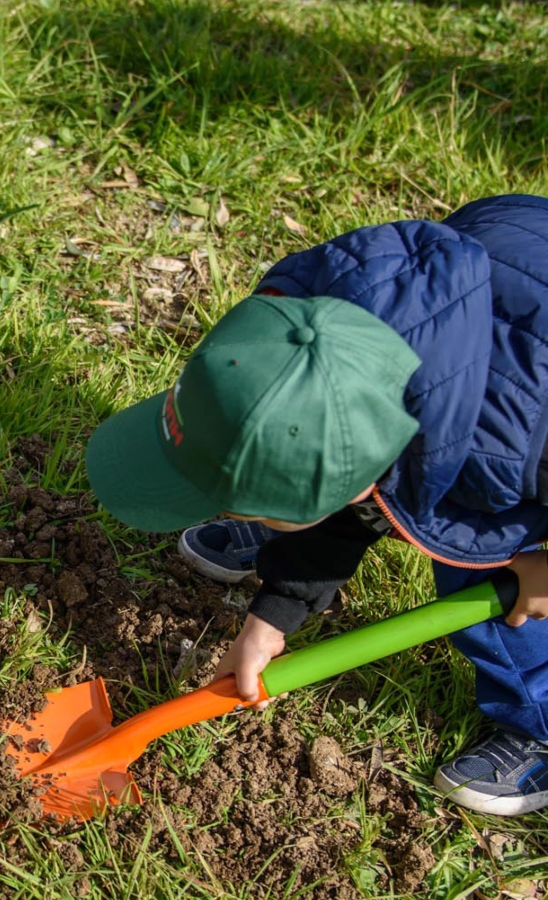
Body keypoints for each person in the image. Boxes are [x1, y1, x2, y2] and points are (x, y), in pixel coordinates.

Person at [85, 194, 548, 817]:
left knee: (480, 559)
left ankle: (538, 721)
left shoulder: (521, 442)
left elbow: (367, 485)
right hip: (498, 298)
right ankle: (279, 496)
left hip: (520, 407)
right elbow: (357, 483)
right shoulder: (310, 308)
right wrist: (275, 613)